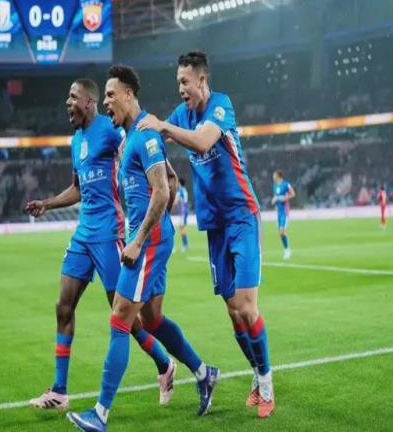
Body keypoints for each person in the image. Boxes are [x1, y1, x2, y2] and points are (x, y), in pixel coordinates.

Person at [67, 66, 219, 432]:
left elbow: (164, 190)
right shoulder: (131, 136)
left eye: (110, 95)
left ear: (128, 94)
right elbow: (169, 178)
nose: (106, 102)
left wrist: (139, 240)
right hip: (153, 237)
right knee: (152, 320)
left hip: (146, 242)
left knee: (120, 318)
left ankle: (100, 414)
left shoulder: (145, 136)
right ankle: (204, 372)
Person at [137, 51, 274, 418]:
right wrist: (131, 139)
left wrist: (163, 127)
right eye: (177, 82)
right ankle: (256, 373)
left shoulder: (221, 106)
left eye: (185, 81)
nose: (180, 88)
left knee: (247, 307)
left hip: (242, 216)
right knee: (233, 313)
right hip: (215, 225)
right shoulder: (181, 115)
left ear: (201, 80)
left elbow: (201, 142)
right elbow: (153, 138)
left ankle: (266, 381)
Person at [25, 78, 174, 411]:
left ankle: (164, 363)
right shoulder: (76, 141)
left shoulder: (110, 128)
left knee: (124, 316)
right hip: (83, 234)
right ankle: (59, 391)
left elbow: (138, 143)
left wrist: (164, 173)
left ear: (89, 101)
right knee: (63, 307)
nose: (68, 103)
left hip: (110, 233)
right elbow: (78, 188)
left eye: (73, 97)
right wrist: (47, 203)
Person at [271, 170, 295, 260]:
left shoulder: (286, 184)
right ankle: (286, 249)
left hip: (284, 212)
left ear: (278, 176)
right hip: (278, 212)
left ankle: (287, 250)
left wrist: (285, 198)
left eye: (274, 175)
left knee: (281, 232)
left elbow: (293, 194)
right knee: (281, 233)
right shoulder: (275, 185)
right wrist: (274, 199)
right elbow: (276, 195)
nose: (273, 177)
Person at [176, 178, 190, 252]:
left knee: (182, 228)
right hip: (184, 210)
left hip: (183, 211)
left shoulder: (180, 190)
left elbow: (176, 200)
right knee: (181, 227)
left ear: (179, 183)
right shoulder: (184, 190)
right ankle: (185, 244)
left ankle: (185, 245)